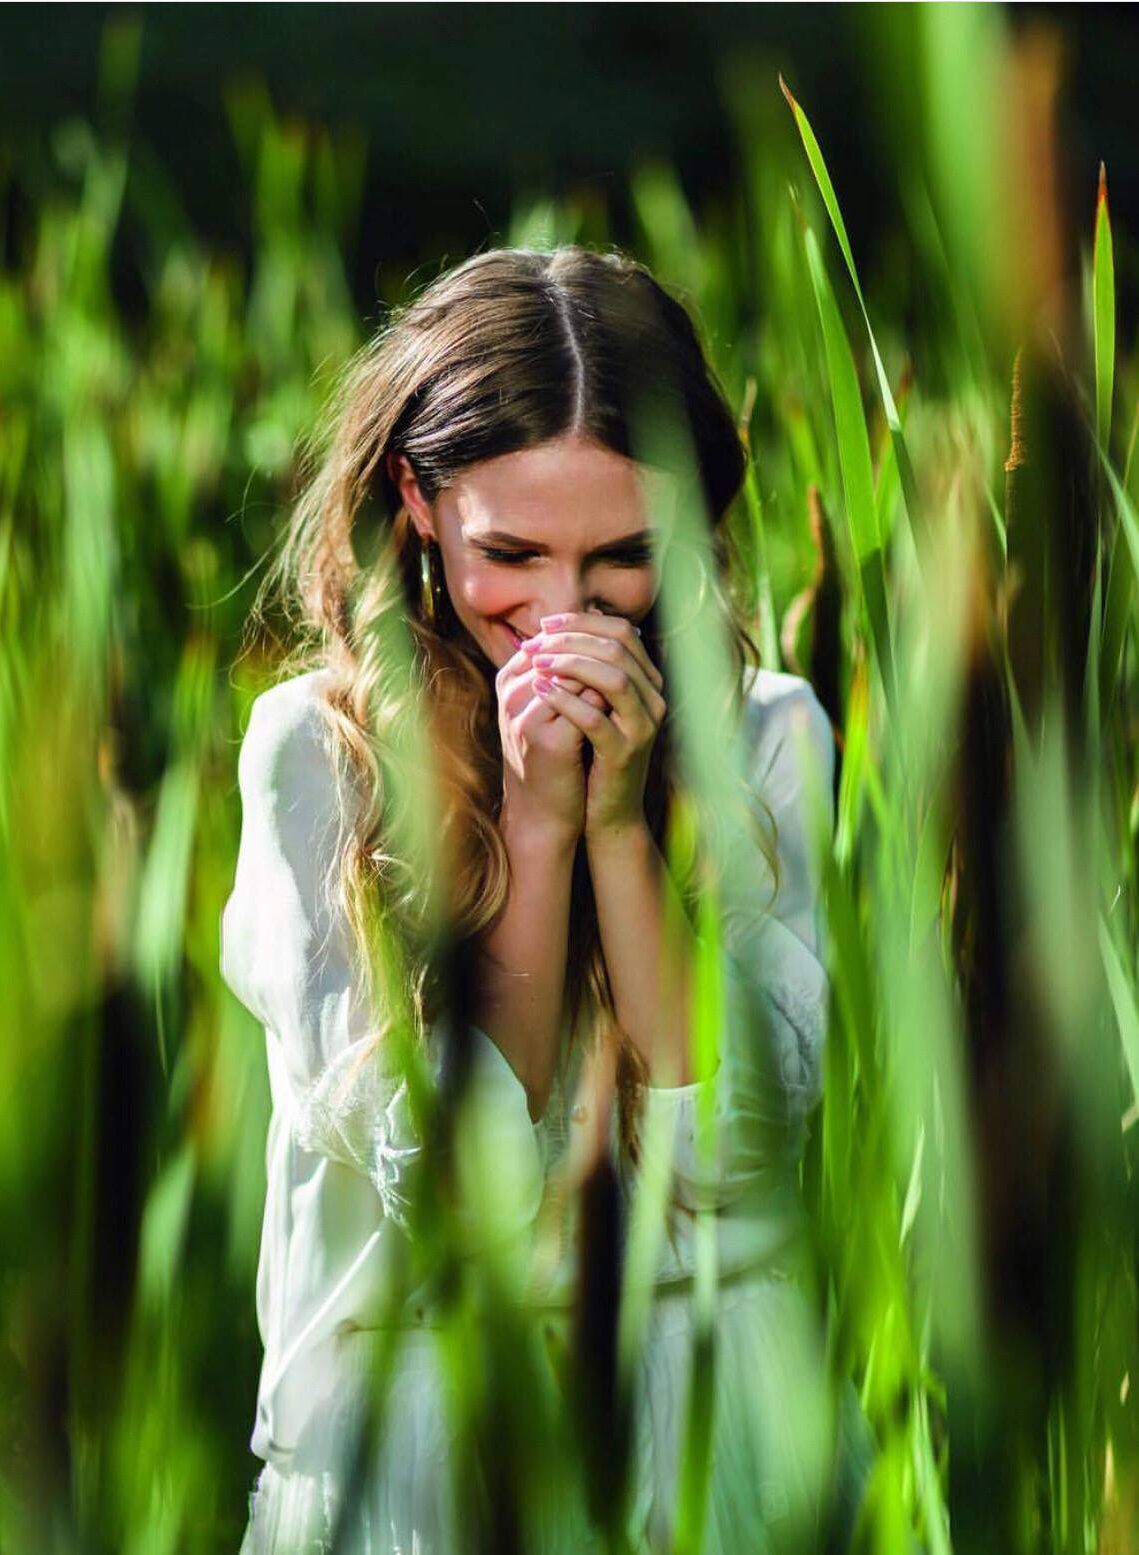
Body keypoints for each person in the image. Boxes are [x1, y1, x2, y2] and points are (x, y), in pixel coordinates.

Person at [221, 244, 872, 1553]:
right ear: (416, 501)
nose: (562, 615)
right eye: (510, 554)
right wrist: (533, 824)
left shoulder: (772, 739)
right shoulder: (318, 756)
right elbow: (466, 1184)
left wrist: (619, 831)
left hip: (716, 1426)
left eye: (622, 559)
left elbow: (737, 1153)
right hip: (418, 1438)